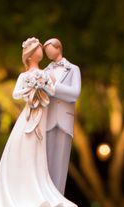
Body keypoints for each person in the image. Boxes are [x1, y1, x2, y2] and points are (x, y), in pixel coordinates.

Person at [0, 38, 77, 207]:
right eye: (39, 49)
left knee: (39, 156)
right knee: (25, 151)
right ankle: (25, 196)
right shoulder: (25, 75)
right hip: (29, 119)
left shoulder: (46, 73)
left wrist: (44, 86)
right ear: (31, 55)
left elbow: (55, 91)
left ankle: (37, 193)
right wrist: (31, 89)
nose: (41, 52)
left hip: (43, 120)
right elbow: (16, 94)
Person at [43, 38, 81, 194]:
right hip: (48, 119)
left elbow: (75, 94)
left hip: (65, 119)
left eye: (49, 49)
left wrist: (55, 86)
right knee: (46, 163)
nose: (46, 54)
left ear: (58, 48)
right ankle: (47, 199)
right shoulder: (44, 71)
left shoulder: (73, 69)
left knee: (62, 161)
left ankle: (58, 198)